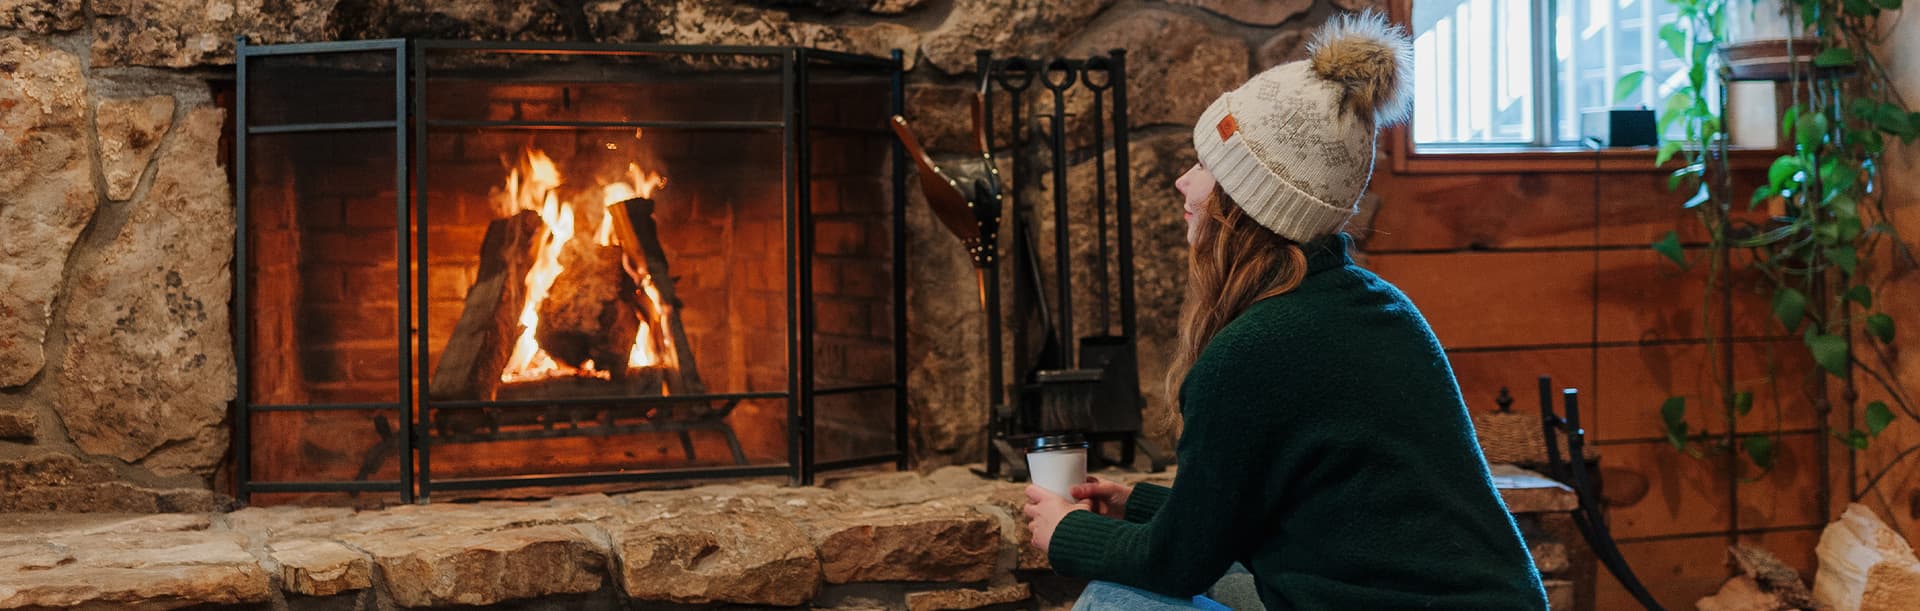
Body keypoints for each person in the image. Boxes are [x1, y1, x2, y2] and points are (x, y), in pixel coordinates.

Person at [1021, 11, 1550, 611]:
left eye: (1205, 168)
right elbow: (1269, 518)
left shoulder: (1252, 351)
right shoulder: (1379, 309)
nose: (1181, 183)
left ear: (1245, 203)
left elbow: (1173, 565)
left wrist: (1066, 532)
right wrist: (1138, 505)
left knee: (1115, 602)